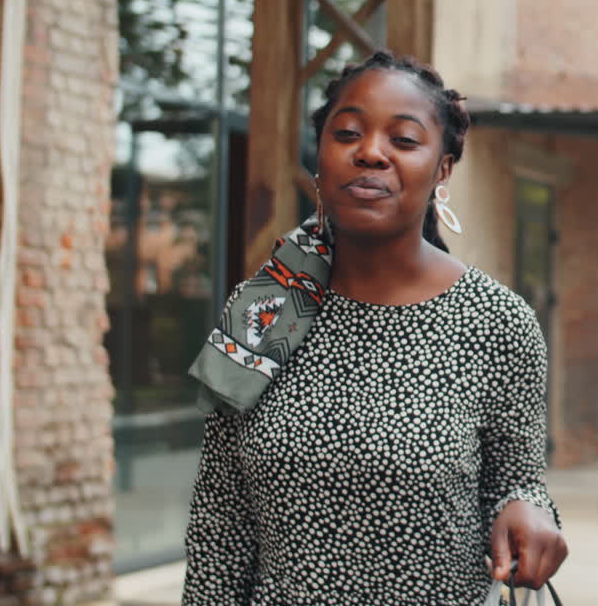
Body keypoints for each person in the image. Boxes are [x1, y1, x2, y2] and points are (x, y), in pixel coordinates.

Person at [182, 51, 567, 604]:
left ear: (442, 169)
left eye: (404, 140)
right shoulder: (263, 309)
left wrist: (529, 510)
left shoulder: (496, 321)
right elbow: (220, 517)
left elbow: (517, 481)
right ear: (321, 157)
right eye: (347, 134)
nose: (370, 153)